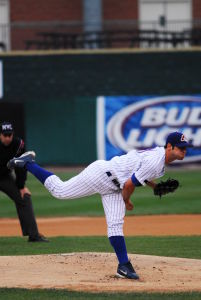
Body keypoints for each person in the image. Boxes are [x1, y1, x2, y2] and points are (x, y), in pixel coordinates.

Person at [7, 131, 192, 278]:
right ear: (169, 147)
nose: (184, 151)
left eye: (185, 148)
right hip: (102, 175)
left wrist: (155, 186)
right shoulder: (156, 161)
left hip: (114, 186)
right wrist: (126, 201)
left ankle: (124, 266)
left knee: (115, 224)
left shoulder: (160, 161)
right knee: (60, 191)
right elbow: (129, 185)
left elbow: (138, 174)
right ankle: (28, 164)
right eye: (180, 148)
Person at [0, 121, 48, 242]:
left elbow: (21, 165)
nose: (7, 138)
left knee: (24, 197)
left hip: (4, 178)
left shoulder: (18, 144)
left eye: (9, 135)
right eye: (4, 135)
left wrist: (21, 186)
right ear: (0, 135)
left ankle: (33, 235)